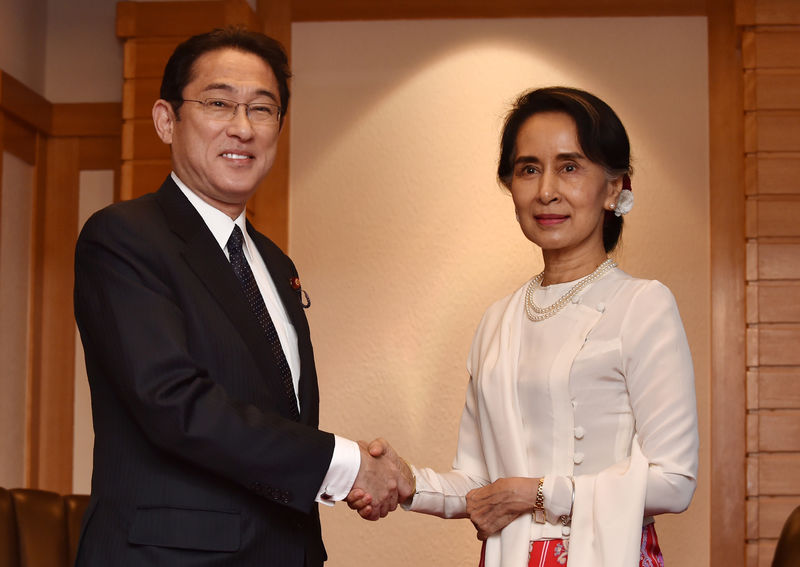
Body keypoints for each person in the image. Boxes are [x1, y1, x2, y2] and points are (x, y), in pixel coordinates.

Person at [73, 27, 410, 567]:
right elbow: (175, 405)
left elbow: (275, 418)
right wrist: (344, 464)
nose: (242, 128)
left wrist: (344, 474)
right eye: (218, 103)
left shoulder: (276, 265)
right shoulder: (124, 236)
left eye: (263, 109)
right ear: (166, 120)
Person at [348, 86, 699, 567]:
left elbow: (675, 481)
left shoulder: (642, 305)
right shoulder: (498, 320)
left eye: (570, 167)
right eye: (528, 168)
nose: (546, 190)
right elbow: (478, 485)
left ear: (615, 187)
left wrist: (536, 494)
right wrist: (409, 483)